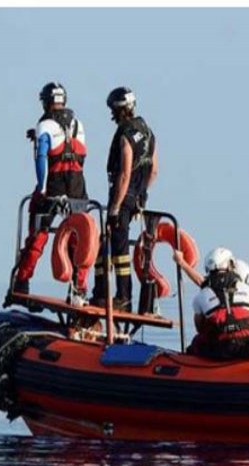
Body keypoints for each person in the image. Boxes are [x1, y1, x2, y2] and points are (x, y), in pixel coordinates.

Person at [11, 82, 88, 296]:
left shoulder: (44, 125)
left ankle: (22, 282)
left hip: (53, 185)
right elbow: (79, 154)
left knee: (38, 233)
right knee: (80, 237)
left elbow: (42, 157)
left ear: (46, 102)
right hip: (77, 186)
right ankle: (79, 289)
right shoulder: (77, 124)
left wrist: (43, 187)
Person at [91, 86, 158, 312]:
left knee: (118, 250)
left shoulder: (126, 135)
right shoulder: (148, 133)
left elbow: (124, 173)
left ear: (120, 109)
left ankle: (123, 297)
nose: (111, 115)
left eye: (113, 110)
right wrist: (141, 196)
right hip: (137, 198)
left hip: (123, 198)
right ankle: (101, 293)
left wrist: (115, 208)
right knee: (105, 245)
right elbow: (154, 170)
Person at [184, 247, 249, 360]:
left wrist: (181, 263)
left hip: (220, 349)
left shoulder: (201, 296)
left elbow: (199, 328)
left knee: (197, 342)